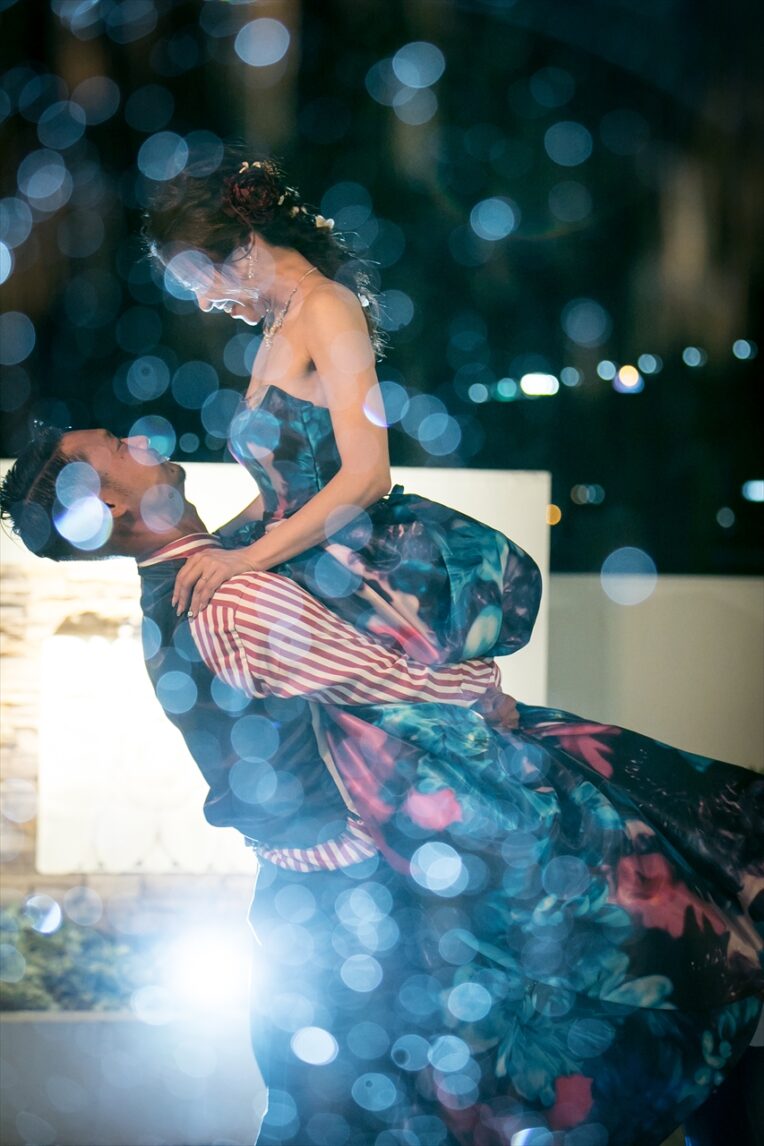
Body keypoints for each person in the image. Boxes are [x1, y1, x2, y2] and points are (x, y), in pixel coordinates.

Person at [1, 425, 762, 1146]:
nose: (141, 441)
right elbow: (380, 689)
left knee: (350, 1105)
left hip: (328, 899)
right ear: (109, 503)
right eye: (117, 447)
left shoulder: (190, 584)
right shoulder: (227, 599)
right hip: (363, 899)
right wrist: (480, 695)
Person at [143, 149, 541, 671]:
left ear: (243, 244)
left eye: (196, 279)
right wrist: (212, 547)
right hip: (302, 559)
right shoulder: (277, 326)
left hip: (348, 570)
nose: (200, 302)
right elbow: (281, 496)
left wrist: (244, 559)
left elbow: (368, 475)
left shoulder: (327, 306)